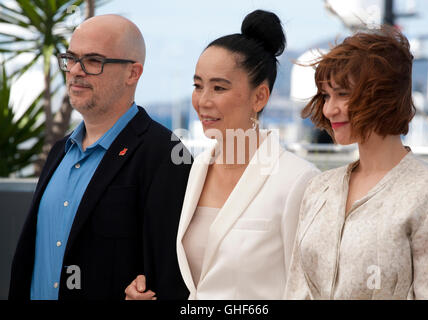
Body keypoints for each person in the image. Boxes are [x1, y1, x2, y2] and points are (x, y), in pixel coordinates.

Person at [125, 10, 319, 300]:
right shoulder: (193, 171)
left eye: (219, 88)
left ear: (260, 97)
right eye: (198, 85)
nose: (203, 101)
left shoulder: (298, 180)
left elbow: (306, 290)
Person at [9, 15, 191, 300]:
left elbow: (170, 273)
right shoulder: (60, 151)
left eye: (94, 61)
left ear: (133, 73)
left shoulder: (165, 154)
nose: (76, 71)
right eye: (71, 58)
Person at [285, 27, 428, 300]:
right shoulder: (319, 189)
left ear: (381, 96)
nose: (328, 109)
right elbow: (295, 289)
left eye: (343, 94)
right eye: (326, 96)